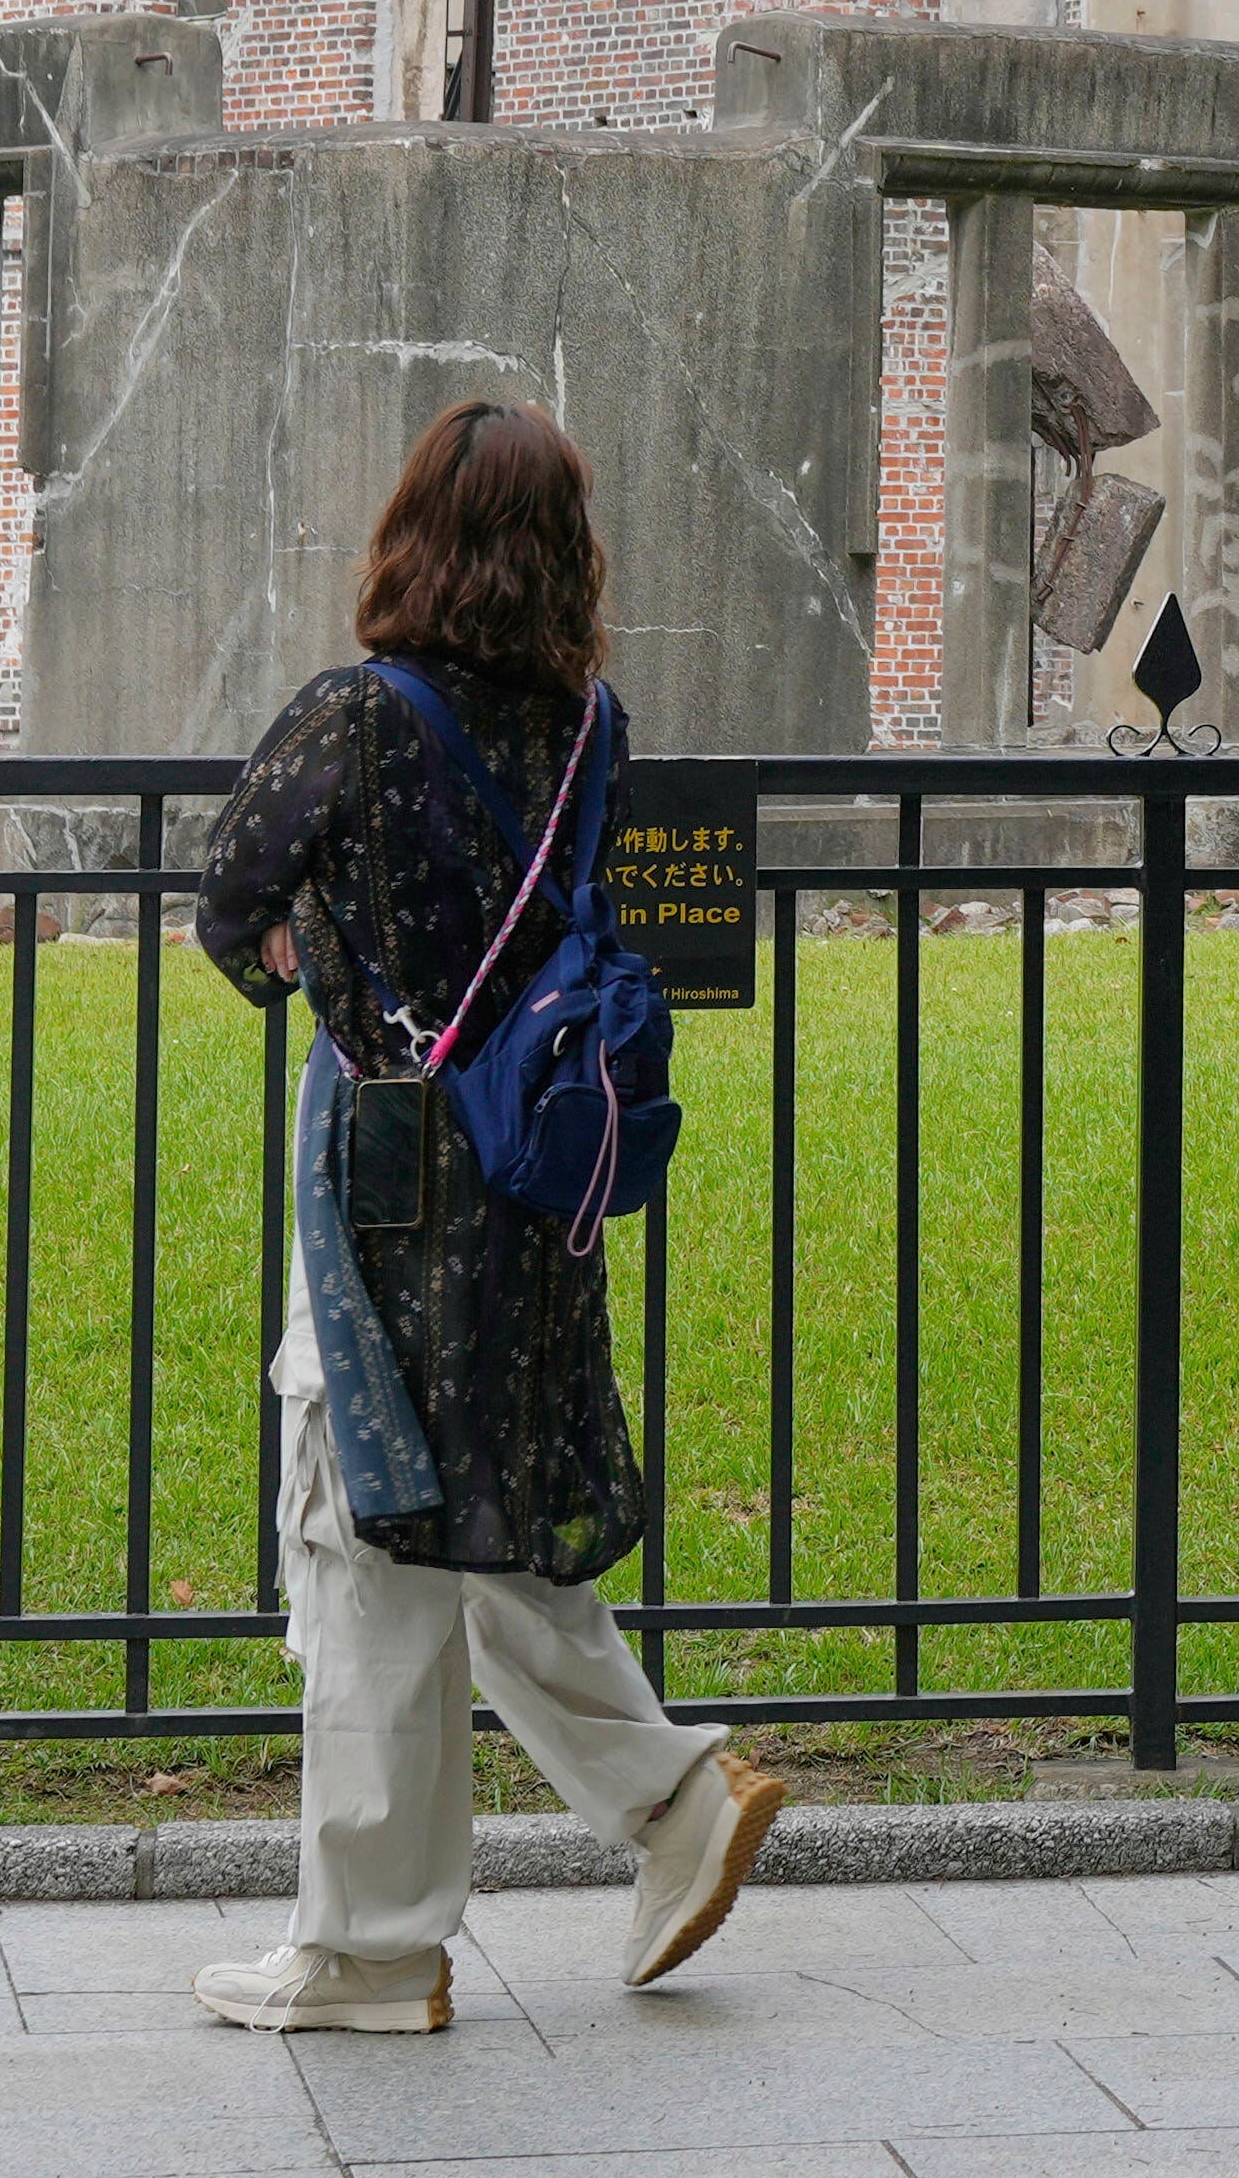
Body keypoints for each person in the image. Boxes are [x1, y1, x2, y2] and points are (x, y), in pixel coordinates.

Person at [182, 399, 799, 2033]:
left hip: (389, 1179)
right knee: (494, 1507)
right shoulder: (592, 724)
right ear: (565, 553)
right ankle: (674, 1802)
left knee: (375, 1529)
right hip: (538, 1174)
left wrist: (317, 961)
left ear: (413, 534)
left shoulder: (355, 716)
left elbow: (230, 907)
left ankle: (373, 1951)